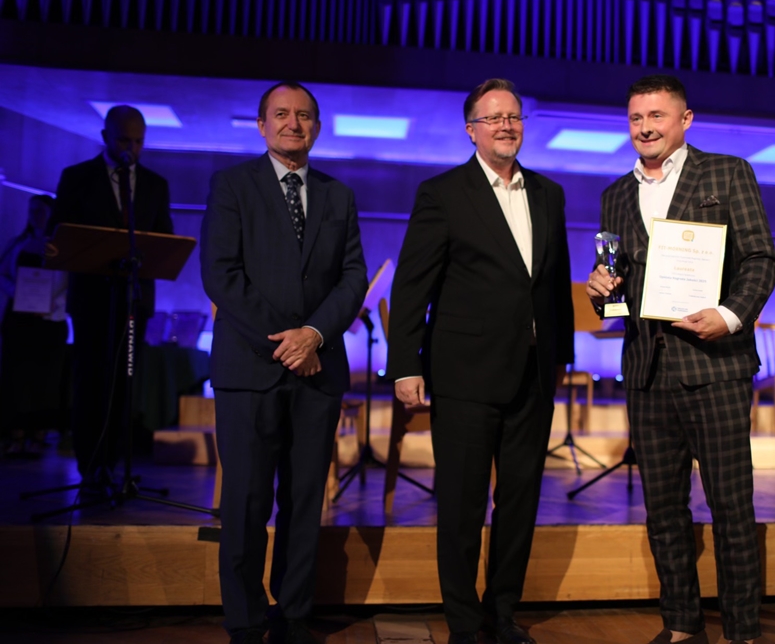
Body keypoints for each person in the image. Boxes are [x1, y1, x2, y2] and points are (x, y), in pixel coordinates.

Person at [586, 74, 775, 644]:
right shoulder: (615, 195)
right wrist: (602, 293)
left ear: (685, 120)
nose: (645, 127)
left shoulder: (727, 172)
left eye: (657, 116)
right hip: (646, 371)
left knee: (731, 508)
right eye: (636, 118)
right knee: (663, 510)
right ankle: (680, 624)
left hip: (715, 366)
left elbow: (761, 259)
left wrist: (730, 315)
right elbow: (619, 293)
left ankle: (742, 631)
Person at [387, 78, 574, 644]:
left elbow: (551, 284)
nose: (505, 126)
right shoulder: (442, 193)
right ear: (471, 130)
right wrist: (405, 364)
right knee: (463, 506)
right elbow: (412, 285)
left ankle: (503, 613)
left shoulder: (548, 193)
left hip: (533, 375)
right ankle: (464, 624)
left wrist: (561, 359)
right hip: (464, 374)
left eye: (513, 116)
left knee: (520, 502)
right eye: (493, 118)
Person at [200, 81, 367, 644]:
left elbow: (352, 278)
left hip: (318, 372)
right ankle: (246, 620)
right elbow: (221, 275)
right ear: (261, 124)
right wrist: (287, 343)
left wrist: (314, 335)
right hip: (250, 370)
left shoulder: (339, 195)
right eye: (281, 114)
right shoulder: (231, 185)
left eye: (304, 115)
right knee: (246, 501)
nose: (293, 123)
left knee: (303, 500)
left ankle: (294, 613)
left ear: (316, 126)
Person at [51, 106, 173, 487]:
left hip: (134, 300)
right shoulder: (77, 178)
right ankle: (91, 467)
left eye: (138, 141)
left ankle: (117, 466)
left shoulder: (155, 184)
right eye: (124, 140)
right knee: (90, 380)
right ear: (105, 137)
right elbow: (59, 233)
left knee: (126, 383)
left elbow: (164, 238)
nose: (131, 148)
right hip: (91, 300)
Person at [0, 194, 69, 457]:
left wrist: (51, 304)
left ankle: (38, 435)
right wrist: (17, 293)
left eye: (41, 211)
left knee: (45, 380)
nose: (36, 215)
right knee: (16, 379)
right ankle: (15, 434)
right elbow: (3, 274)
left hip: (49, 321)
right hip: (19, 320)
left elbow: (70, 282)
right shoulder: (17, 244)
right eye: (32, 210)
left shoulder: (63, 246)